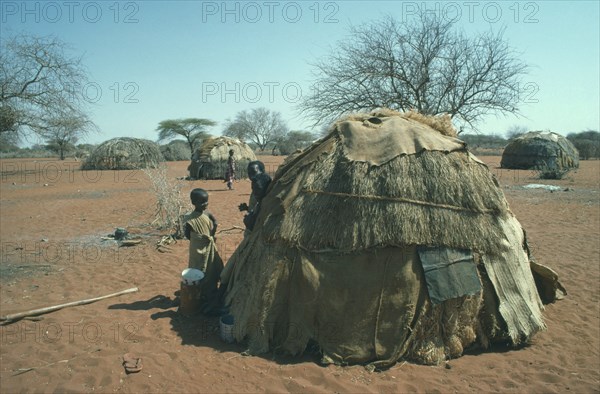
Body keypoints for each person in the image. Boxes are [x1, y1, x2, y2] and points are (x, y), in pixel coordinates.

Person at [184, 188, 223, 313]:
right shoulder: (190, 219)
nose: (205, 204)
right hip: (197, 249)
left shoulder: (207, 214)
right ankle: (200, 292)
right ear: (193, 202)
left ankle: (209, 290)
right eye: (202, 202)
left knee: (211, 267)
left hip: (208, 246)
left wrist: (211, 235)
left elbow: (215, 222)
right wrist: (200, 240)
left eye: (206, 201)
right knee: (198, 267)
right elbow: (188, 235)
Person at [238, 160, 272, 232]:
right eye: (249, 173)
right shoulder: (256, 188)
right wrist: (248, 208)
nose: (251, 176)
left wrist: (251, 219)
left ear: (262, 171)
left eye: (254, 172)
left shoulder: (266, 190)